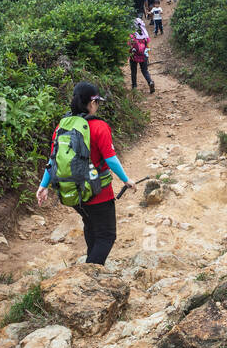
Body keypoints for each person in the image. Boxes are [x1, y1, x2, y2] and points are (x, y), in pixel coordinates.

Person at [36, 82, 132, 264]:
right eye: (98, 102)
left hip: (73, 191)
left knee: (91, 225)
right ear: (92, 102)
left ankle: (90, 264)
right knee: (106, 235)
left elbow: (53, 159)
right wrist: (127, 180)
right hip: (98, 192)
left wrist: (43, 185)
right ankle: (90, 273)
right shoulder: (99, 127)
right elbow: (110, 159)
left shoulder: (62, 126)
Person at [129, 19, 155, 93]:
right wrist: (147, 55)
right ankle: (150, 82)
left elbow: (129, 45)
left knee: (133, 71)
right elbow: (147, 46)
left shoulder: (132, 35)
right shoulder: (145, 35)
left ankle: (134, 87)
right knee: (144, 70)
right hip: (143, 55)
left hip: (134, 56)